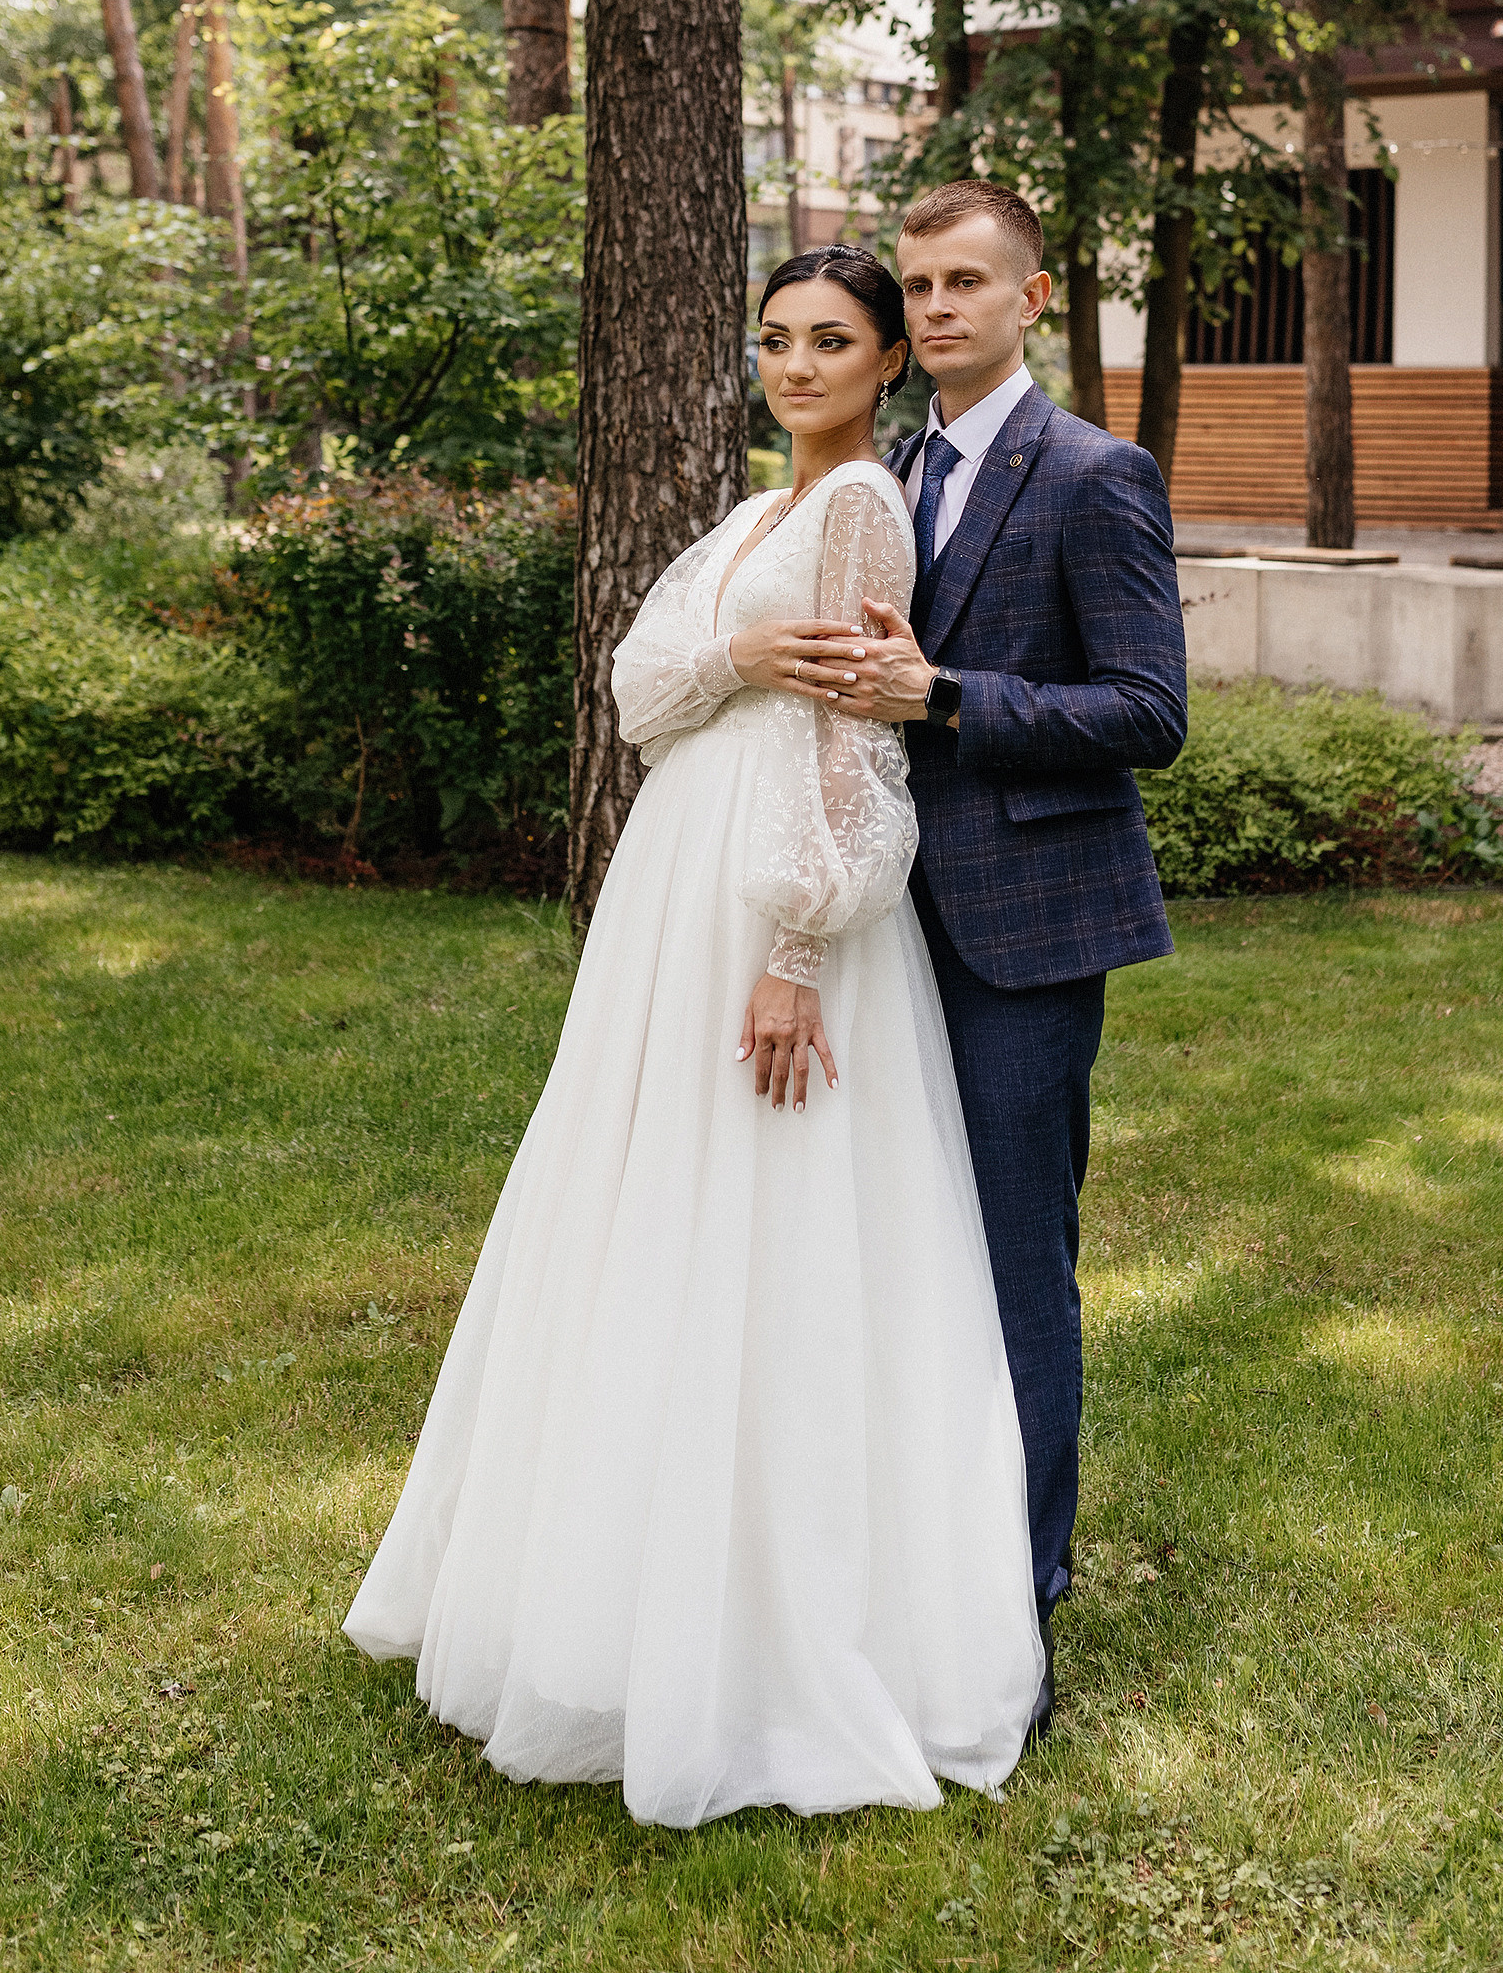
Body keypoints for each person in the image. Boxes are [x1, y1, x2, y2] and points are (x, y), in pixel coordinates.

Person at [344, 245, 1042, 1828]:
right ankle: (622, 1586)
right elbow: (637, 687)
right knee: (645, 1211)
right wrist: (730, 654)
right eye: (779, 341)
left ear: (883, 370)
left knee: (768, 1226)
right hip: (679, 892)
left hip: (766, 906)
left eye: (834, 344)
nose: (798, 368)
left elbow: (854, 747)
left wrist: (800, 939)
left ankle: (773, 1630)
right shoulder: (755, 517)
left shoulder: (862, 505)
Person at [792, 180, 1188, 1734]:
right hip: (891, 932)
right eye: (920, 284)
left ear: (1031, 299)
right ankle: (914, 1567)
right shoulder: (886, 471)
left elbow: (1150, 712)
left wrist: (947, 698)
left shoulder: (1095, 474)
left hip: (1026, 939)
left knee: (1019, 1268)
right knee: (902, 1259)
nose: (940, 306)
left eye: (969, 283)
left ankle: (1017, 1613)